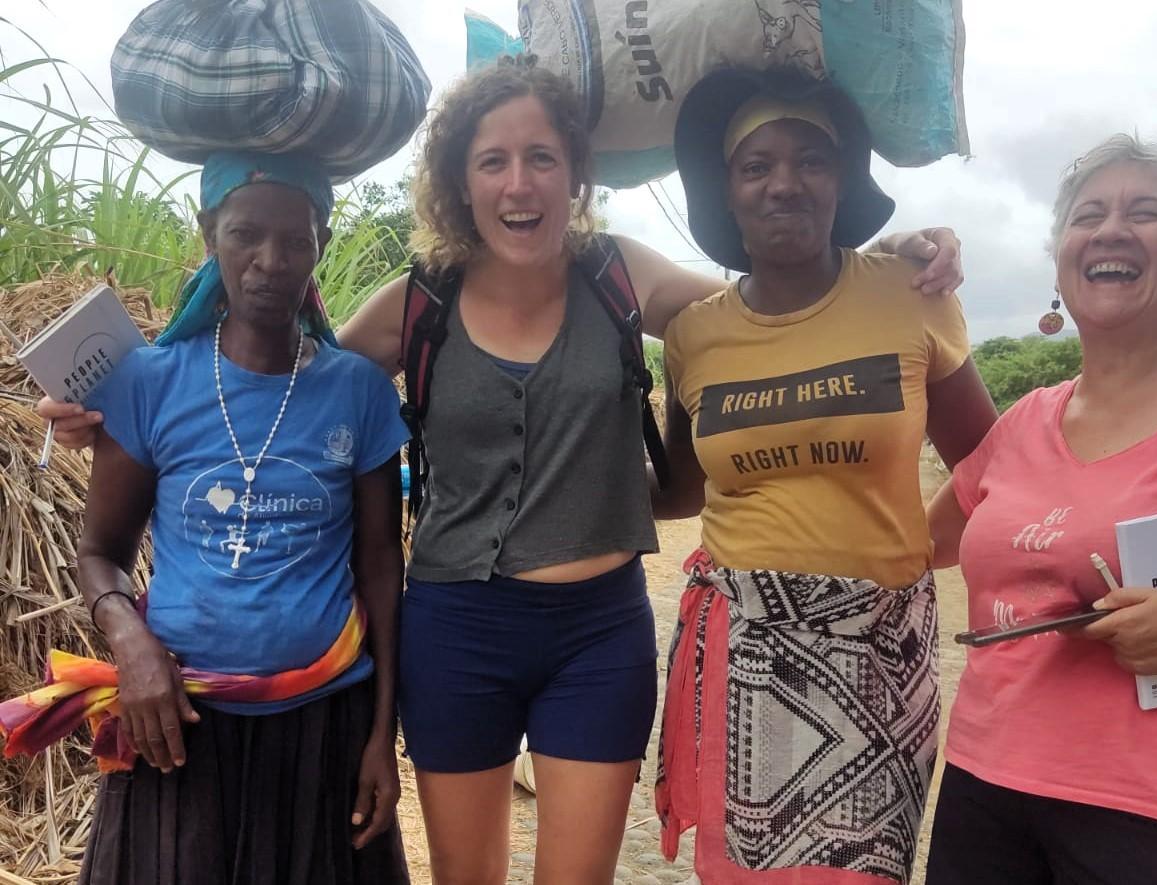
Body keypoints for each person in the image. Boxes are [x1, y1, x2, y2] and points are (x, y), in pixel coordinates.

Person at [34, 58, 965, 885]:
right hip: (457, 631)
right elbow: (279, 382)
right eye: (493, 160)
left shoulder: (622, 277)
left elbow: (767, 301)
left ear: (576, 174)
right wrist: (118, 404)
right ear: (461, 182)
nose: (520, 183)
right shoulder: (417, 304)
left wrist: (877, 260)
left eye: (542, 157)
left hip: (597, 636)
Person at [3, 153, 412, 884]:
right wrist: (130, 642)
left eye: (296, 239)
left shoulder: (358, 391)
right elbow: (100, 551)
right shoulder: (150, 383)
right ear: (208, 233)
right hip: (177, 725)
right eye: (245, 234)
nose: (270, 261)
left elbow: (382, 564)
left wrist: (383, 734)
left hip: (323, 728)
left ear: (321, 241)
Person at [652, 67, 998, 885]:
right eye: (756, 165)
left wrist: (911, 558)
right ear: (727, 193)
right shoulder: (695, 336)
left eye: (811, 159)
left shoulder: (908, 293)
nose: (784, 183)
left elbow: (993, 468)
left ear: (843, 181)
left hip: (878, 656)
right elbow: (678, 488)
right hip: (745, 655)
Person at [923, 135, 1157, 885]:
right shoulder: (1023, 423)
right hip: (985, 787)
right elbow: (915, 544)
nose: (1111, 229)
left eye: (1146, 212)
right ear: (1060, 258)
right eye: (1088, 216)